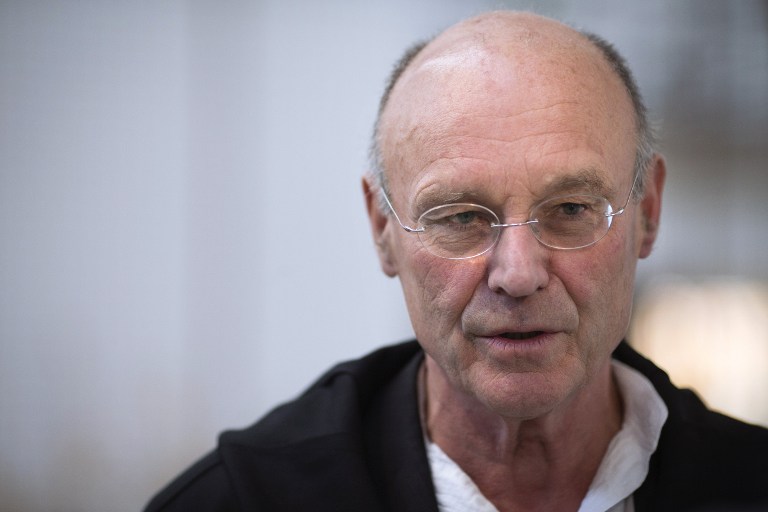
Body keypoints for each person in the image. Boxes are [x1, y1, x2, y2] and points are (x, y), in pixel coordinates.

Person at [144, 11, 768, 512]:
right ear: (382, 228)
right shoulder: (239, 500)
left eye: (571, 209)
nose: (518, 274)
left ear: (647, 212)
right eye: (461, 217)